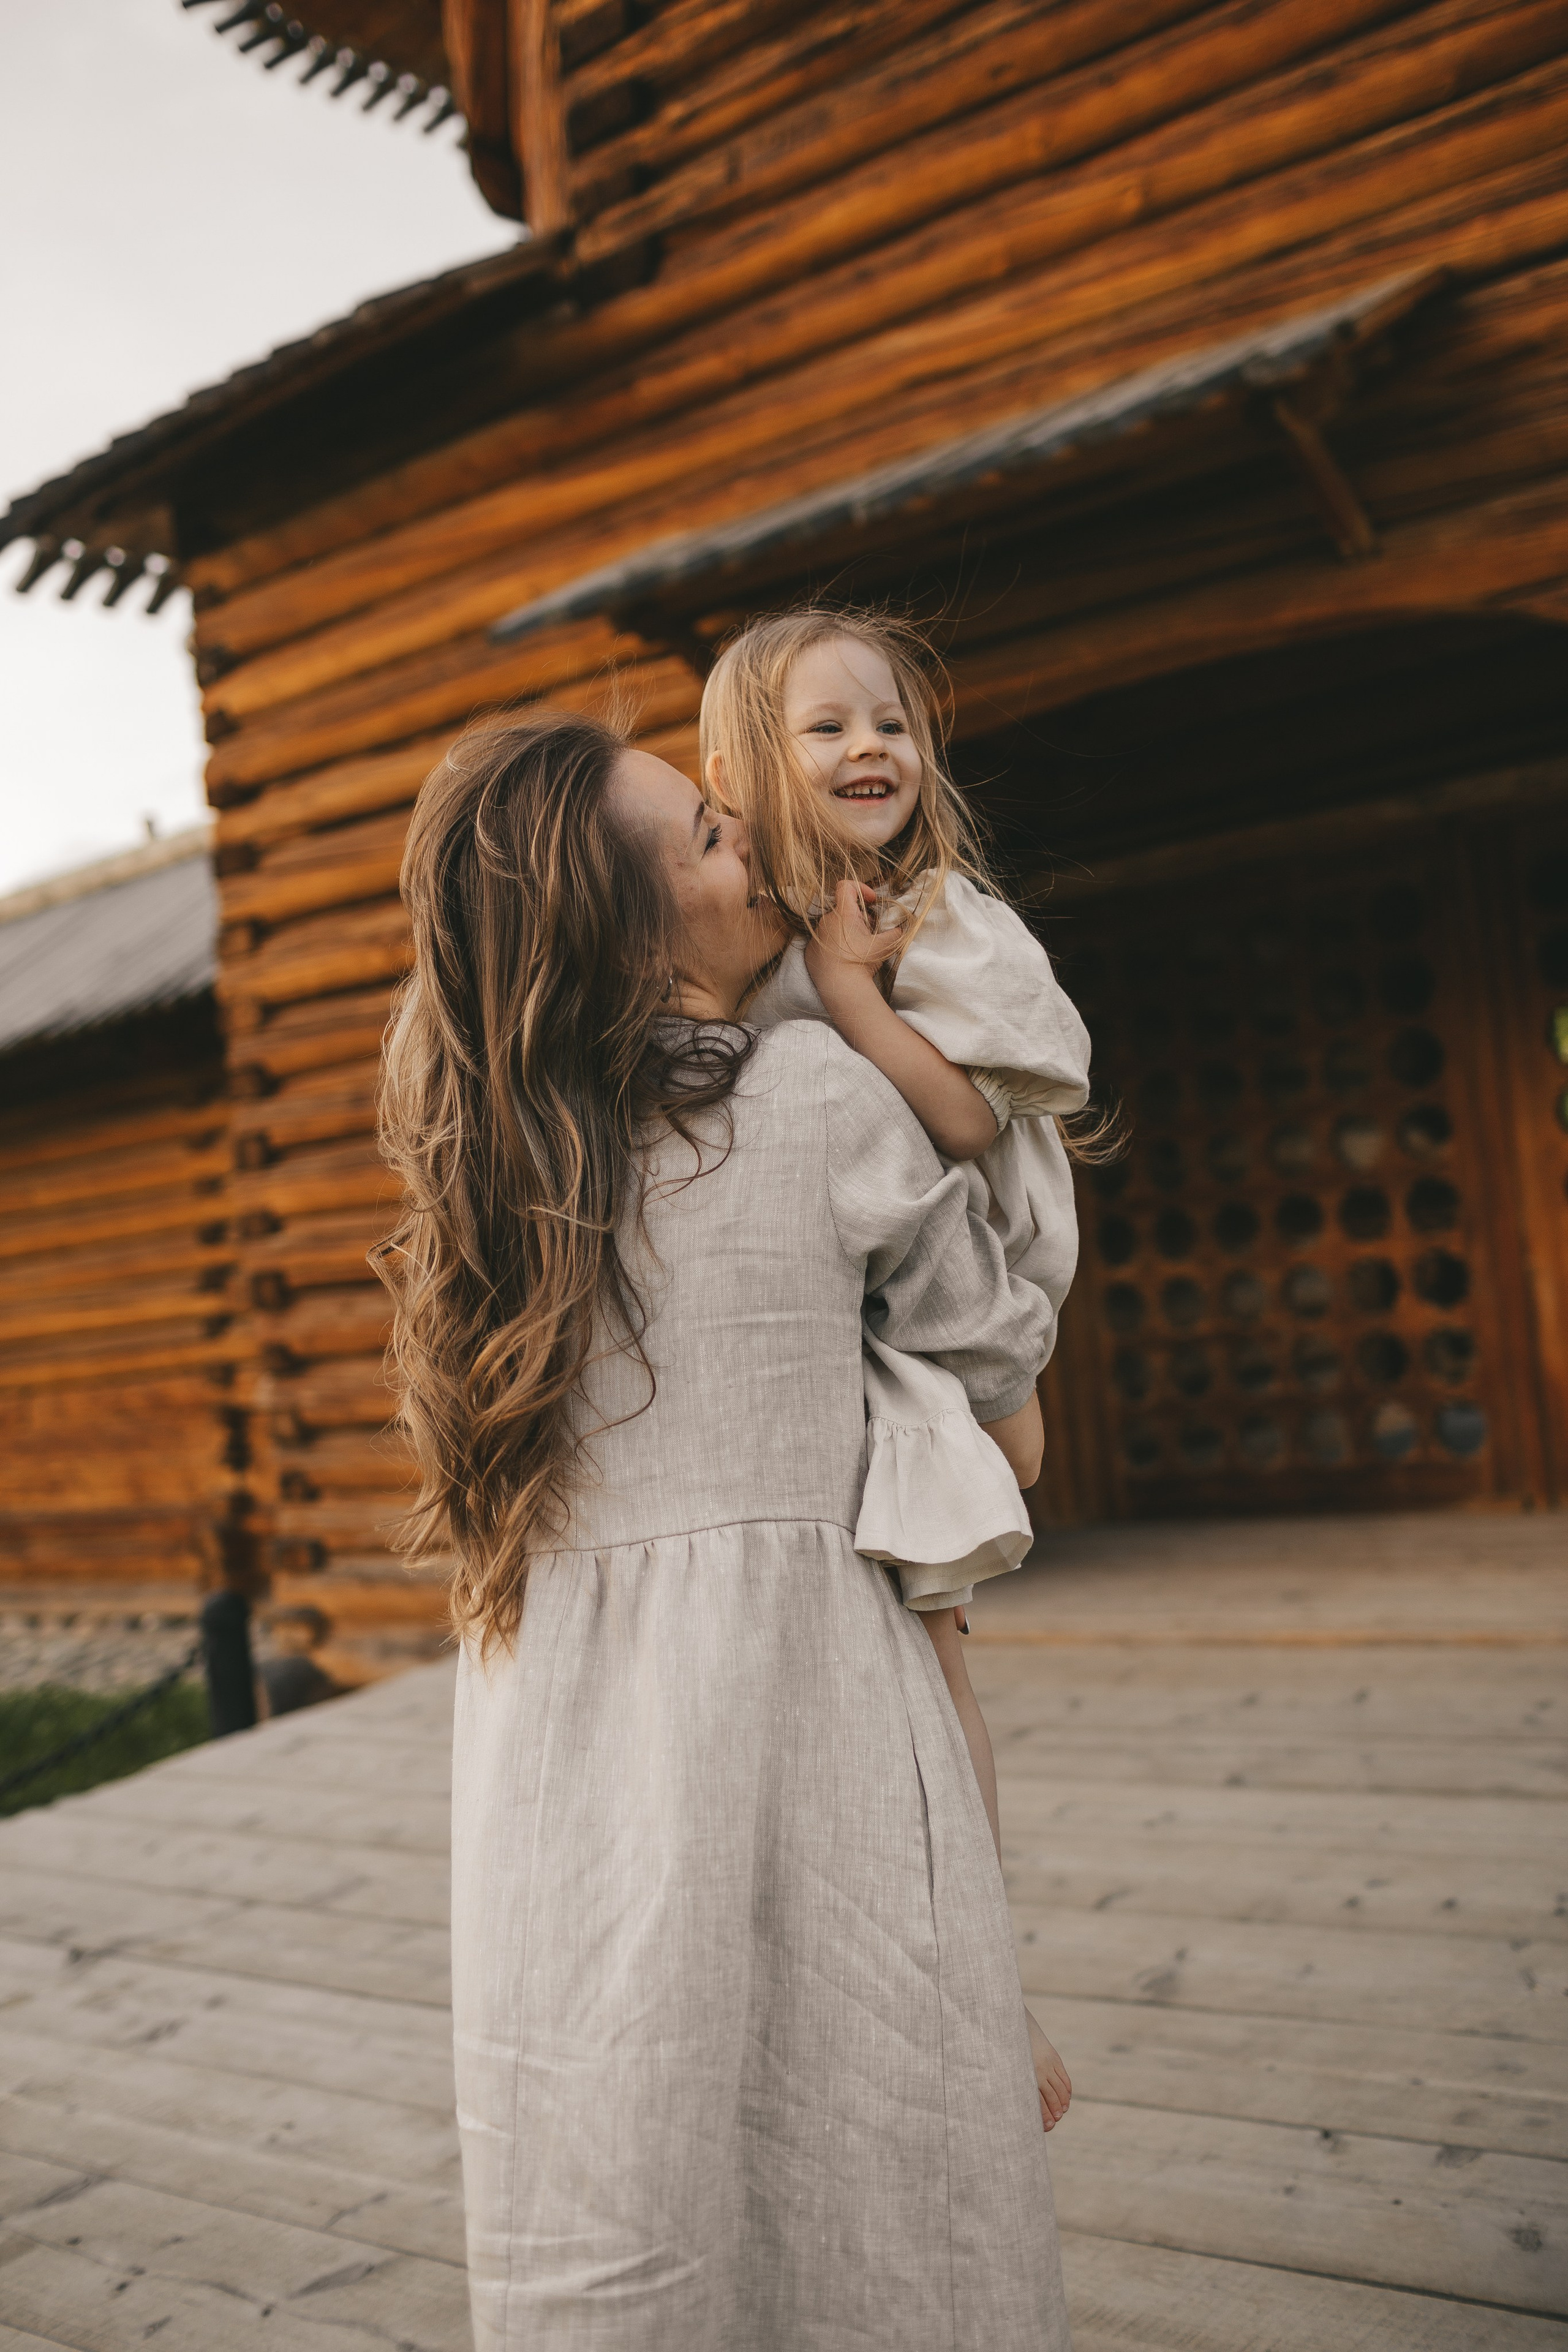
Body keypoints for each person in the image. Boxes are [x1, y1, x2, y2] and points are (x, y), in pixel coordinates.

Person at [375, 710, 1074, 2350]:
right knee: (879, 2146)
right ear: (621, 935)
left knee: (623, 2150)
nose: (749, 840)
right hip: (811, 1691)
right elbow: (1003, 1366)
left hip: (569, 1760)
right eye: (706, 838)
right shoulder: (823, 1096)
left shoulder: (496, 1189)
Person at [700, 607, 1094, 1613]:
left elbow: (967, 1125)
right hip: (858, 1296)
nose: (871, 745)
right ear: (735, 775)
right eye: (828, 728)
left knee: (953, 1566)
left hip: (974, 1276)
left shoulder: (936, 917)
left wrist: (850, 993)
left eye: (892, 724)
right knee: (908, 1595)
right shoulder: (751, 935)